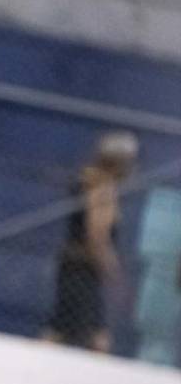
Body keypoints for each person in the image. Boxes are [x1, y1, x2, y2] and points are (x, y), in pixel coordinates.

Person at [43, 131, 138, 354]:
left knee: (79, 332)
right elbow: (97, 236)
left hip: (78, 267)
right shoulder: (101, 188)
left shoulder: (88, 181)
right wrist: (112, 271)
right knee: (76, 334)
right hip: (83, 269)